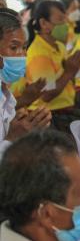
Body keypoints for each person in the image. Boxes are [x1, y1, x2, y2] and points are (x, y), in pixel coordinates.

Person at [25, 0, 80, 132]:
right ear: (44, 23)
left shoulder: (59, 45)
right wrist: (69, 72)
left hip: (64, 110)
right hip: (47, 116)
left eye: (65, 17)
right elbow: (46, 94)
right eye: (60, 19)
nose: (65, 24)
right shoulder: (39, 53)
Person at [0, 9, 51, 158]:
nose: (22, 55)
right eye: (14, 47)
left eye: (24, 47)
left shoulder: (5, 92)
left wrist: (29, 125)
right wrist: (13, 137)